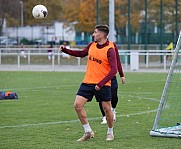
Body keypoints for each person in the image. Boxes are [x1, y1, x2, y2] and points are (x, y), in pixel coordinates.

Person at [59, 24, 117, 141]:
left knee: (107, 110)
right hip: (88, 82)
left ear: (101, 35)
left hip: (103, 84)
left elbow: (113, 70)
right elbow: (81, 54)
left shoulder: (110, 50)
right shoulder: (91, 45)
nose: (93, 34)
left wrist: (101, 84)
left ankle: (110, 132)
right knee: (77, 105)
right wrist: (65, 50)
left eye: (95, 32)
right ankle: (88, 131)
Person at [99, 42, 125, 124]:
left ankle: (113, 110)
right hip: (100, 76)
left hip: (111, 76)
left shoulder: (112, 45)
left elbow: (117, 60)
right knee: (101, 97)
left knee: (114, 95)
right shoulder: (94, 46)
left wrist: (121, 74)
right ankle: (104, 116)